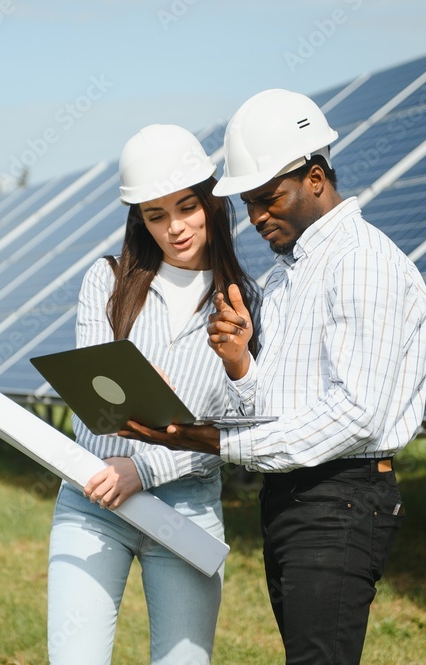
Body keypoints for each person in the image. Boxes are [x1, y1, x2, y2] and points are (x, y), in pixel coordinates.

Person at [120, 89, 426, 664]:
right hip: (292, 496)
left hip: (342, 498)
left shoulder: (360, 262)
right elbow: (277, 408)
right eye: (249, 203)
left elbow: (356, 414)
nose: (257, 217)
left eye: (270, 198)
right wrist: (240, 362)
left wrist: (219, 441)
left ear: (315, 178)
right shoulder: (289, 278)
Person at [47, 123, 261, 665]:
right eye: (155, 215)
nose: (175, 228)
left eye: (187, 207)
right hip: (93, 498)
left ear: (212, 201)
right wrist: (131, 439)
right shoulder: (108, 281)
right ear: (138, 219)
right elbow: (86, 406)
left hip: (186, 509)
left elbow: (241, 424)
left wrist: (145, 470)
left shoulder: (246, 302)